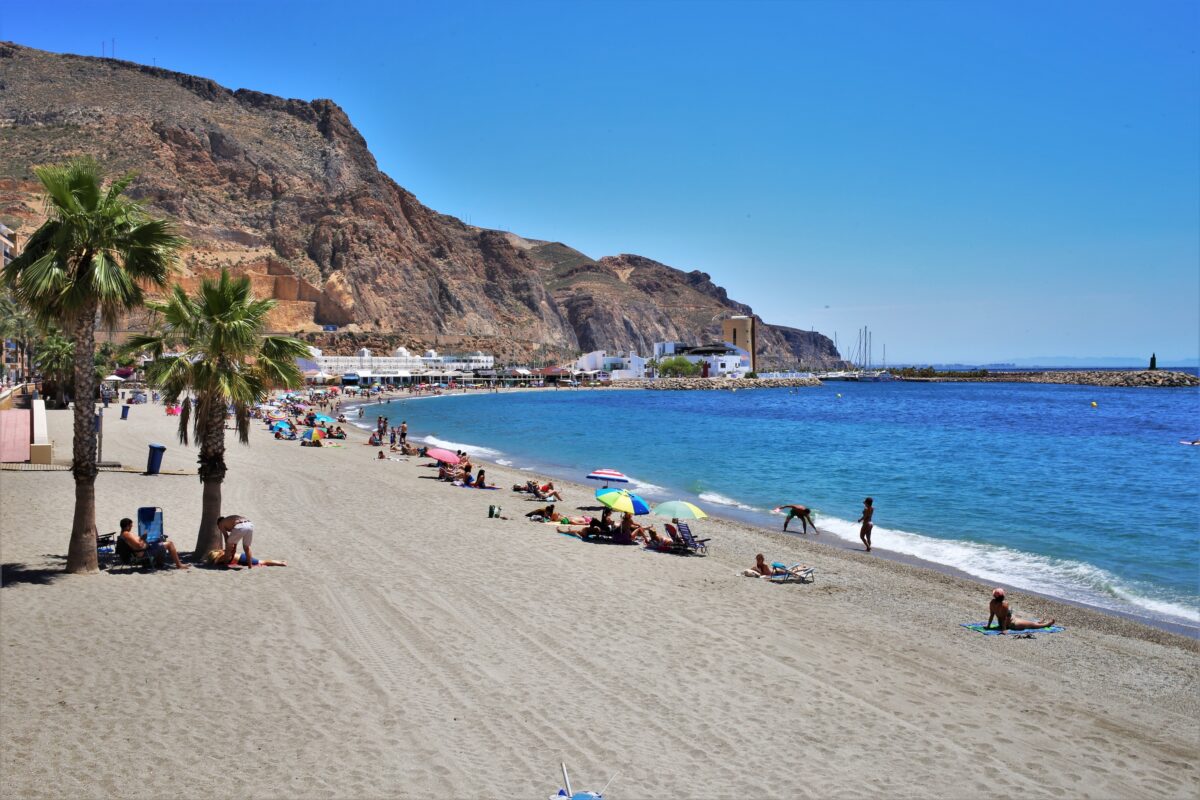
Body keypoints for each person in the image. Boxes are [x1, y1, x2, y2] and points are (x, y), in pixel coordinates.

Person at [117, 516, 188, 570]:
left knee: (159, 541)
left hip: (145, 550)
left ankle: (159, 564)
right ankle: (179, 565)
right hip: (144, 552)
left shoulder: (123, 534)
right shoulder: (127, 534)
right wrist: (143, 538)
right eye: (131, 526)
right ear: (127, 526)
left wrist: (143, 539)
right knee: (170, 544)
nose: (131, 527)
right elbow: (139, 545)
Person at [987, 588, 1054, 633]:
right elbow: (1004, 618)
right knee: (1033, 626)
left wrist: (988, 626)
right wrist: (1004, 629)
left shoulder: (992, 603)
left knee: (1026, 621)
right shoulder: (1004, 604)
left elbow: (991, 615)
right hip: (1012, 624)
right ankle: (1046, 624)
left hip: (1002, 623)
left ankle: (1038, 622)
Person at [205, 549, 287, 568]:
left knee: (263, 562)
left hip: (243, 558)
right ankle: (280, 562)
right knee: (262, 561)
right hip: (242, 557)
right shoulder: (223, 553)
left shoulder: (221, 557)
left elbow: (215, 562)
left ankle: (281, 563)